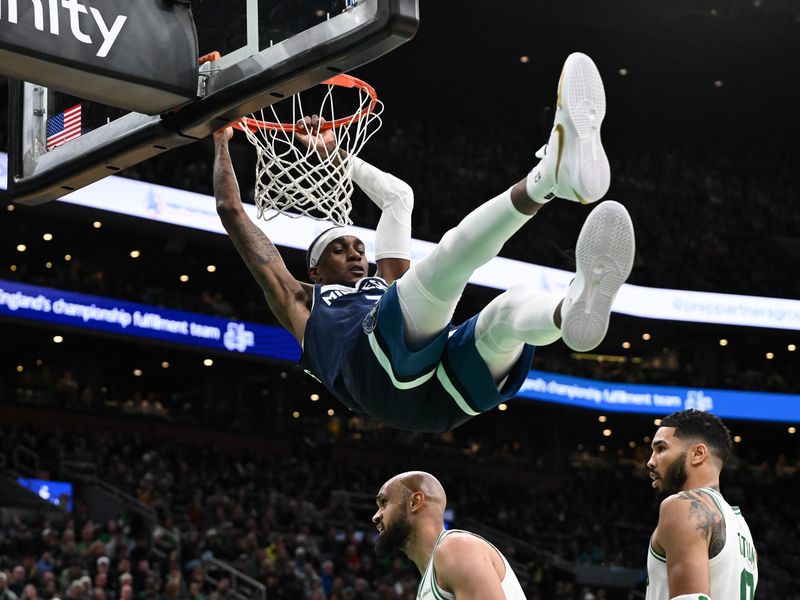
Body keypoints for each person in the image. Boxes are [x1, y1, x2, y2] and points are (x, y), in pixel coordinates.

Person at [213, 52, 635, 432]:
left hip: (439, 399)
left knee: (511, 309)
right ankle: (545, 182)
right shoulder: (301, 301)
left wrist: (337, 155)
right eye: (339, 250)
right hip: (375, 374)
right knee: (445, 266)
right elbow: (231, 211)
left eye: (360, 248)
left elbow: (399, 198)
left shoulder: (383, 287)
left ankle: (571, 309)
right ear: (315, 270)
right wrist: (220, 141)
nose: (358, 255)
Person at [645, 409, 758, 599]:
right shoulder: (742, 528)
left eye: (661, 449)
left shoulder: (684, 506)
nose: (650, 461)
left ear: (698, 453)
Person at [372, 471, 525, 599]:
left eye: (384, 503)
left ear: (415, 502)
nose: (376, 516)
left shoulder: (456, 547)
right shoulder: (426, 584)